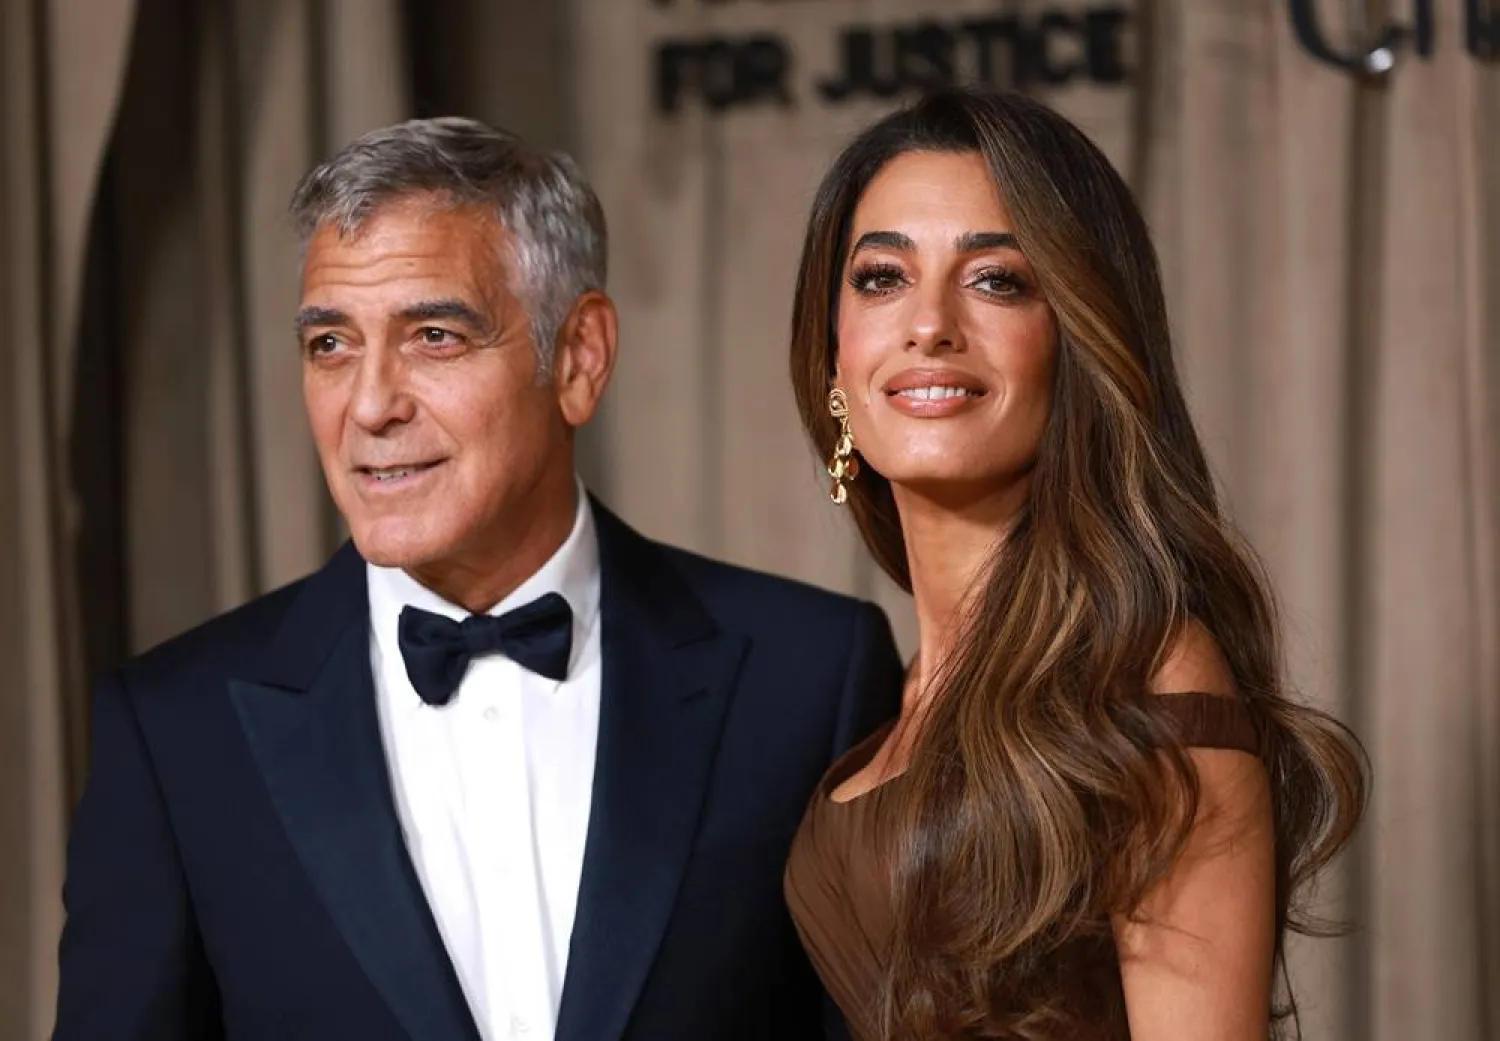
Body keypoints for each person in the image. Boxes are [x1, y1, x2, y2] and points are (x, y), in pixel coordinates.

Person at [53, 117, 903, 1041]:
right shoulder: (177, 733)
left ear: (578, 357)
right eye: (330, 344)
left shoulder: (808, 676)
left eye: (433, 335)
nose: (369, 405)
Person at [783, 88, 1368, 1041]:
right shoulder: (908, 687)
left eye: (997, 280)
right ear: (833, 359)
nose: (929, 324)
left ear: (1080, 340)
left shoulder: (1146, 673)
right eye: (883, 277)